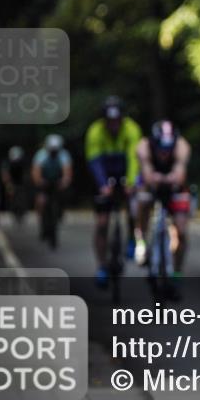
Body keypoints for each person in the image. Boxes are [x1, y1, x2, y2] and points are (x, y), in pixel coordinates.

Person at [85, 95, 143, 287]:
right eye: (110, 122)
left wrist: (132, 182)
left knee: (135, 206)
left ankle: (131, 238)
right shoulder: (95, 132)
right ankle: (102, 266)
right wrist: (102, 185)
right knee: (102, 223)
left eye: (117, 121)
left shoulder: (132, 129)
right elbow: (94, 162)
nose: (114, 125)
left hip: (125, 171)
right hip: (105, 174)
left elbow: (135, 159)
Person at [135, 120, 193, 293]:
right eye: (160, 149)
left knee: (181, 231)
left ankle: (176, 271)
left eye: (168, 149)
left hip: (174, 187)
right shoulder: (144, 145)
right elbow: (146, 171)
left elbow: (180, 171)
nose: (164, 153)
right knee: (142, 202)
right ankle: (142, 243)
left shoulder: (182, 145)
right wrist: (154, 178)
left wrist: (171, 178)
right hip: (152, 186)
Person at [31, 134, 73, 244]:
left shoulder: (64, 155)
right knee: (41, 201)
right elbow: (36, 172)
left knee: (62, 196)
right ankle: (42, 222)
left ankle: (60, 213)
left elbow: (67, 171)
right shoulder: (41, 155)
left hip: (57, 181)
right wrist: (39, 181)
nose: (54, 152)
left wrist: (65, 181)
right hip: (44, 181)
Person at [0, 146, 28, 224]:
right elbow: (5, 175)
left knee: (22, 196)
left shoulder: (23, 162)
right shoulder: (7, 163)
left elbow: (26, 174)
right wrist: (8, 185)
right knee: (11, 196)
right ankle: (13, 210)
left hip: (21, 182)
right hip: (11, 182)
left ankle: (21, 212)